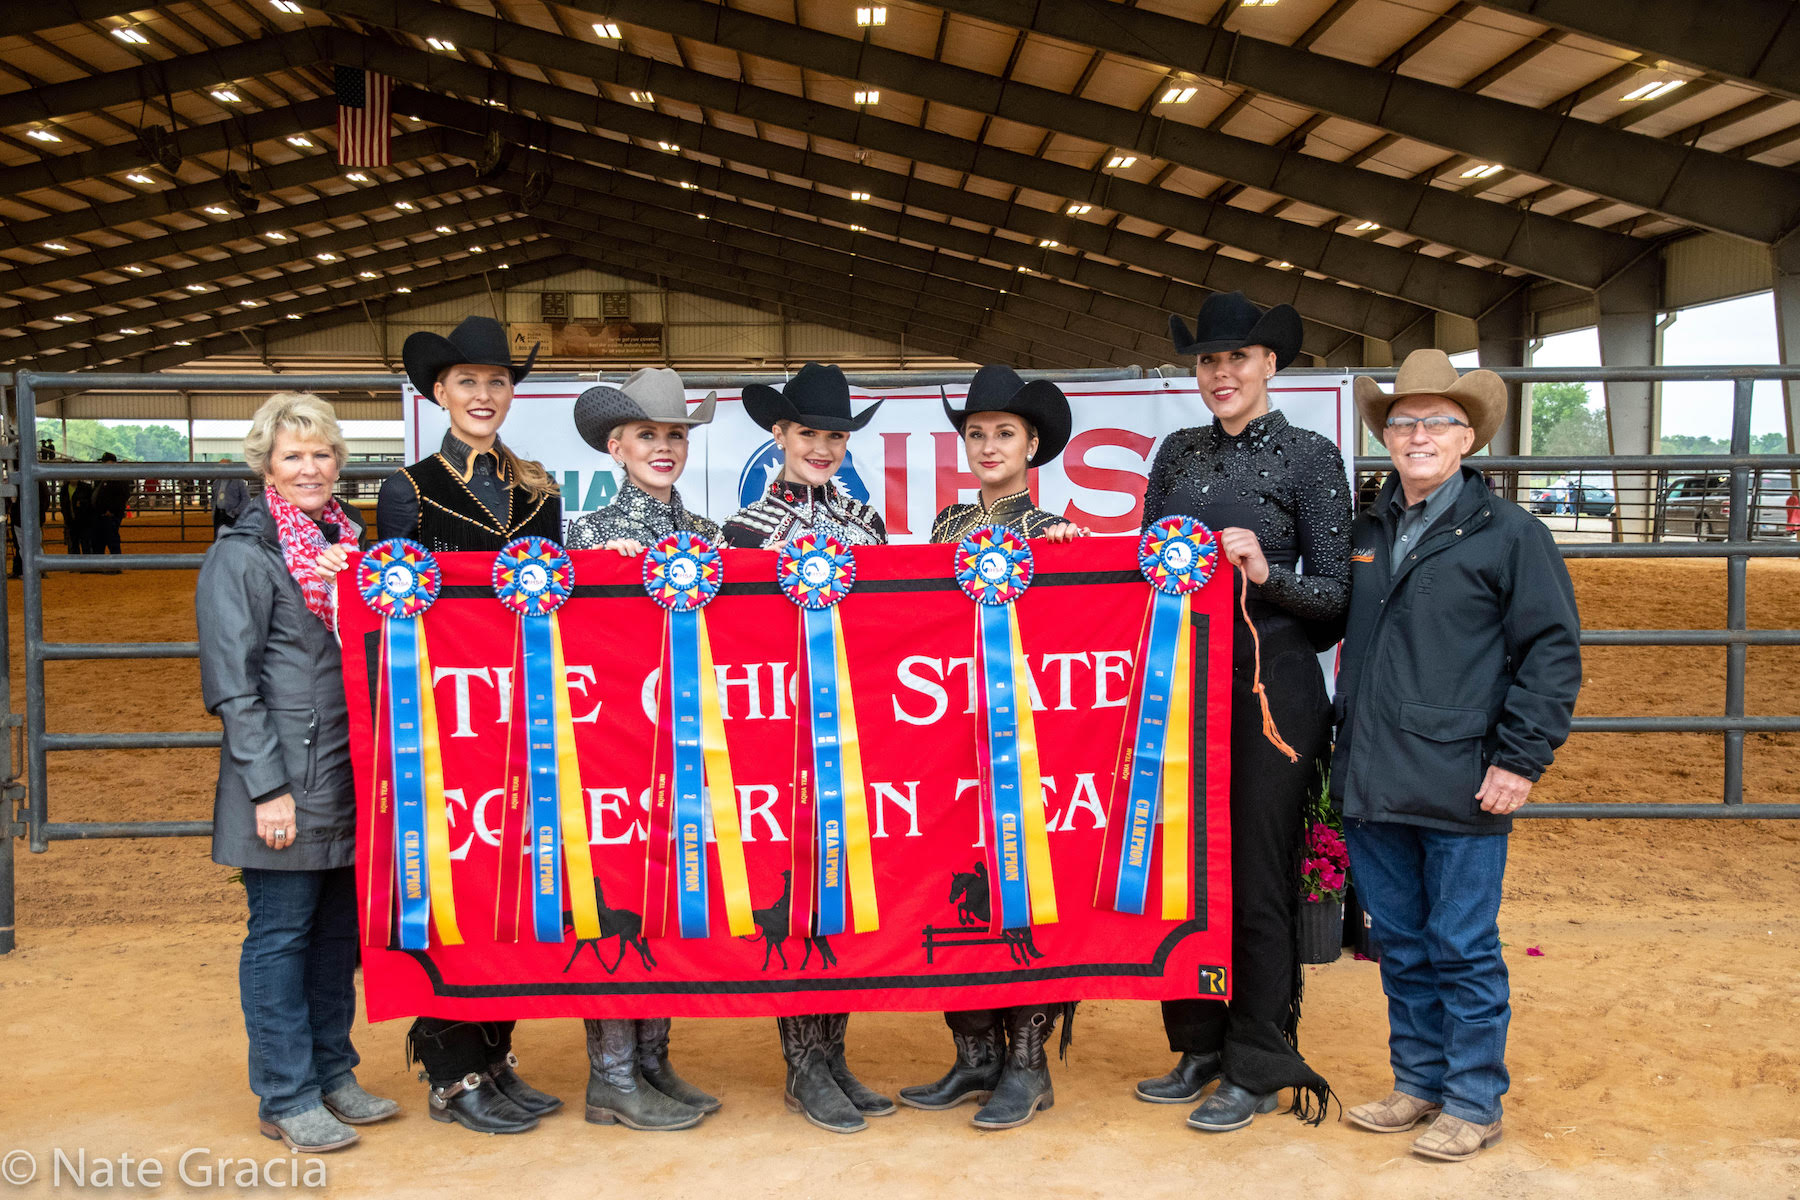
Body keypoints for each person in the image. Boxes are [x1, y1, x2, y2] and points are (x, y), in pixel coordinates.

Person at [1336, 350, 1581, 1162]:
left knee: (1464, 945)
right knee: (1399, 941)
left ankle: (1474, 1098)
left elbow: (1551, 654)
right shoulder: (1366, 529)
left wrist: (1519, 760)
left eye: (1437, 420)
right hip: (1374, 772)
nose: (1418, 434)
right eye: (1403, 421)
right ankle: (1419, 1081)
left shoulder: (1511, 534)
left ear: (1468, 435)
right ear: (1387, 436)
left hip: (1463, 774)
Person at [1135, 291, 1350, 1132]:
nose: (1221, 373)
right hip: (1182, 683)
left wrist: (1267, 574)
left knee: (1257, 872)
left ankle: (1259, 1059)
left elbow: (1335, 599)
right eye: (1208, 360)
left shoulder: (1310, 457)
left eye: (1236, 358)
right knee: (1183, 866)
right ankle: (1198, 1041)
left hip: (1276, 689)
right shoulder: (1175, 454)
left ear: (1269, 365)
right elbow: (1151, 574)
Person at [378, 315, 565, 1136]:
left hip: (521, 709)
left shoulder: (541, 491)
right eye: (467, 383)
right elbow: (387, 618)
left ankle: (494, 1052)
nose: (483, 395)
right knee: (447, 877)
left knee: (510, 881)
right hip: (438, 713)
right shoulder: (408, 489)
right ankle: (451, 1067)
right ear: (439, 393)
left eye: (496, 382)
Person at [196, 392, 396, 1153]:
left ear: (338, 464)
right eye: (293, 456)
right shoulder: (243, 555)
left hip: (349, 774)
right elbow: (232, 684)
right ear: (266, 468)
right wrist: (267, 790)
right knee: (280, 934)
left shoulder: (348, 546)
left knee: (336, 937)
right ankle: (285, 1092)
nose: (310, 468)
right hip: (283, 780)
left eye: (321, 455)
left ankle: (332, 1072)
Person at [902, 364, 1083, 1131]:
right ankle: (975, 1055)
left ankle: (1028, 1064)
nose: (986, 445)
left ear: (1032, 445)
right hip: (952, 738)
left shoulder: (1055, 533)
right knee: (959, 890)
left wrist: (1081, 560)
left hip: (1028, 744)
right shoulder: (945, 527)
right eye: (976, 434)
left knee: (1024, 897)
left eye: (1003, 433)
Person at [720, 361, 893, 1134]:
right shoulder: (744, 531)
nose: (821, 446)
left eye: (834, 435)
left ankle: (832, 1054)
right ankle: (801, 1063)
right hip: (780, 733)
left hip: (853, 729)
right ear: (779, 435)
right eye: (808, 433)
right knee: (793, 893)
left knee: (844, 891)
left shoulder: (868, 524)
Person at [564, 368, 721, 1132]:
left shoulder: (709, 539)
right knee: (619, 900)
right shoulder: (583, 536)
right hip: (611, 754)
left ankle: (652, 1062)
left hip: (688, 750)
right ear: (616, 446)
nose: (663, 447)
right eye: (649, 435)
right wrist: (594, 575)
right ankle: (612, 1077)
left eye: (675, 435)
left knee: (668, 896)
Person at [90, 452, 132, 558]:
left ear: (112, 463)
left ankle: (115, 564)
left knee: (111, 539)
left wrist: (111, 510)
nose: (104, 464)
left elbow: (123, 495)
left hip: (111, 514)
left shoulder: (118, 478)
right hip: (101, 513)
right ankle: (101, 564)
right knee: (100, 539)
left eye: (106, 462)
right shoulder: (103, 476)